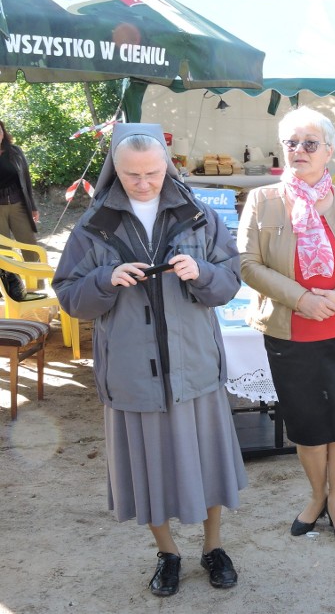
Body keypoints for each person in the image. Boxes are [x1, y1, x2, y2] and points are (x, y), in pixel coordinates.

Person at [53, 124, 246, 597]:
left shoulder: (198, 215)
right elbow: (69, 297)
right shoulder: (94, 225)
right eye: (131, 174)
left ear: (168, 165)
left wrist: (201, 273)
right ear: (114, 171)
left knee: (207, 464)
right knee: (149, 469)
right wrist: (104, 278)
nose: (143, 183)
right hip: (132, 374)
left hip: (194, 366)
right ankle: (168, 553)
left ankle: (213, 547)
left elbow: (230, 280)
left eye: (152, 173)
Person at [239, 107, 335, 545]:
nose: (298, 150)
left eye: (309, 143)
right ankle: (314, 496)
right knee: (306, 425)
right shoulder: (262, 200)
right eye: (291, 143)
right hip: (289, 333)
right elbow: (247, 263)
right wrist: (299, 297)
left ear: (329, 151)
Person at [0, 118, 40, 261]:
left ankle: (37, 283)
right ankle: (12, 284)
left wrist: (33, 207)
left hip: (19, 206)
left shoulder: (15, 152)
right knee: (4, 254)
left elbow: (26, 180)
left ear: (3, 132)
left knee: (30, 246)